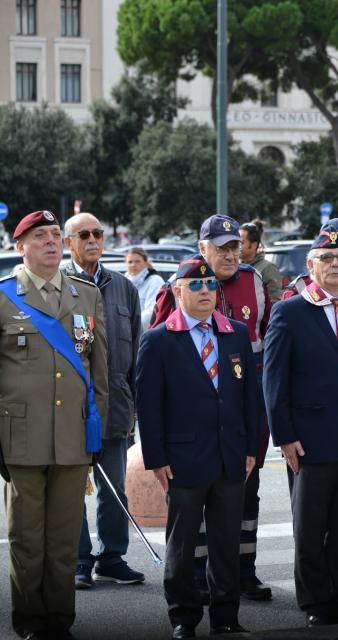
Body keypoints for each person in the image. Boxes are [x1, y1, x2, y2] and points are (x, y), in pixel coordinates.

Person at [263, 230, 338, 626]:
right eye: (326, 258)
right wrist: (284, 436)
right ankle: (315, 603)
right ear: (310, 265)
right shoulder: (291, 311)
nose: (335, 264)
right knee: (311, 527)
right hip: (311, 438)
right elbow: (275, 381)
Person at [151, 214, 273, 602]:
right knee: (192, 512)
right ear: (202, 248)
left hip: (242, 418)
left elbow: (268, 341)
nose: (230, 254)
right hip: (191, 428)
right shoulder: (180, 286)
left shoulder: (254, 282)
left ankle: (242, 572)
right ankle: (196, 580)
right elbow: (158, 356)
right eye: (221, 248)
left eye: (235, 246)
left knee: (243, 499)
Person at [137, 255, 259, 638]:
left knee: (226, 543)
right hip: (183, 458)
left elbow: (249, 398)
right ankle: (183, 618)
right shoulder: (159, 339)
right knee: (183, 544)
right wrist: (156, 459)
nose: (206, 292)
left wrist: (251, 447)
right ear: (177, 291)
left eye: (210, 286)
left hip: (230, 457)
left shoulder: (234, 332)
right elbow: (149, 406)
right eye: (196, 285)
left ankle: (226, 617)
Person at [0, 210, 108, 640]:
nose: (49, 241)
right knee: (26, 539)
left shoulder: (85, 295)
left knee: (64, 540)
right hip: (20, 438)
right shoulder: (5, 296)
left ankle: (60, 622)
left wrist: (97, 429)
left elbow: (98, 368)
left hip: (72, 436)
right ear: (19, 246)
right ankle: (30, 622)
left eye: (52, 235)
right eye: (38, 236)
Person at [63, 213, 145, 590]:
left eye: (98, 233)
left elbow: (136, 352)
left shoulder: (122, 287)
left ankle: (112, 557)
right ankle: (79, 559)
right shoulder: (59, 286)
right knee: (71, 490)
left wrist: (135, 405)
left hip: (116, 407)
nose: (93, 239)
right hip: (71, 410)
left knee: (115, 488)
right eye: (84, 234)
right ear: (69, 242)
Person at [240, 220, 284, 303]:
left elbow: (274, 301)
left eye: (241, 242)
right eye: (236, 242)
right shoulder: (234, 266)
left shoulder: (268, 268)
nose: (237, 246)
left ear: (254, 245)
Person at [124, 246, 165, 332]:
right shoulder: (124, 281)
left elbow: (152, 312)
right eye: (130, 262)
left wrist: (128, 326)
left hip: (146, 333)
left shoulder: (155, 281)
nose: (133, 265)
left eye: (137, 261)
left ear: (146, 263)